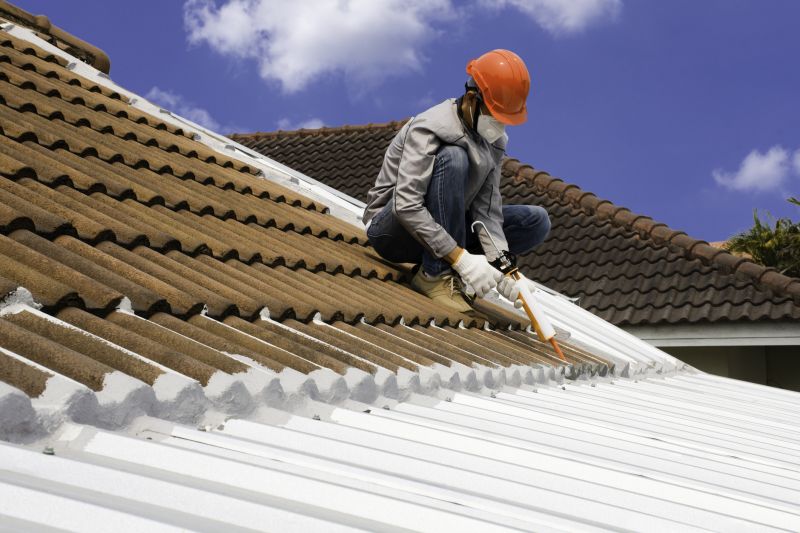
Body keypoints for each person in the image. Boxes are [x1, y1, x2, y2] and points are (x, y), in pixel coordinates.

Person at [363, 49, 551, 313]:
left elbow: (486, 212)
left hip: (445, 226)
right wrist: (461, 260)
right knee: (454, 157)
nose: (499, 126)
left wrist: (506, 269)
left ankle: (449, 261)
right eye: (495, 116)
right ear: (472, 99)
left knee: (535, 221)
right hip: (392, 230)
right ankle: (435, 275)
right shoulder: (429, 127)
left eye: (505, 120)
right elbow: (406, 205)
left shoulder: (494, 141)